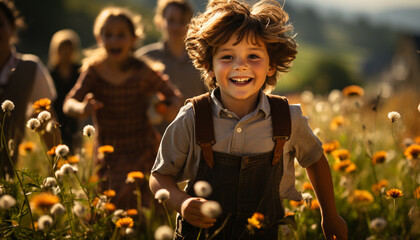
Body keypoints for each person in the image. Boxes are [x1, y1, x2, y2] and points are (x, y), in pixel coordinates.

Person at [149, 0, 348, 240]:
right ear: (208, 66)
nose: (240, 66)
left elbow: (315, 160)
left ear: (271, 65)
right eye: (227, 57)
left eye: (253, 56)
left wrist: (330, 215)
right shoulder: (192, 117)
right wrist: (181, 202)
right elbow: (159, 176)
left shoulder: (287, 118)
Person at [63, 6, 183, 209]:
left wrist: (167, 108)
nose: (114, 40)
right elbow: (69, 102)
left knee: (147, 209)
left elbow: (175, 97)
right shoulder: (94, 71)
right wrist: (82, 109)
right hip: (109, 154)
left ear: (133, 39)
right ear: (99, 39)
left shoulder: (142, 70)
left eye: (121, 35)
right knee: (111, 206)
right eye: (108, 35)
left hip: (144, 150)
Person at [0, 0, 57, 178]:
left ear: (12, 28)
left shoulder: (30, 69)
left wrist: (54, 169)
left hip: (6, 178)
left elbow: (47, 122)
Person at [135, 0, 206, 134]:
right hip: (152, 140)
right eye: (171, 20)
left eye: (182, 21)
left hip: (194, 138)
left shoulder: (202, 60)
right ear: (159, 22)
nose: (176, 26)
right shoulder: (144, 59)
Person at [48, 29, 81, 150]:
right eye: (63, 48)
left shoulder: (80, 72)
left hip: (75, 122)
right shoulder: (50, 74)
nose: (66, 52)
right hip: (54, 121)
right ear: (56, 50)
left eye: (69, 48)